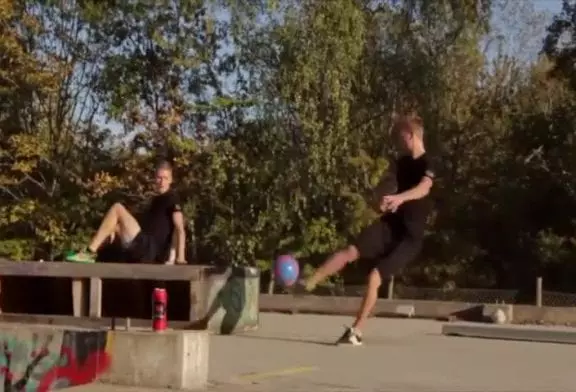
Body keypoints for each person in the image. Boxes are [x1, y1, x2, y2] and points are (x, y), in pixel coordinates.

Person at [295, 114, 436, 346]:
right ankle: (309, 282)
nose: (397, 142)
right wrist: (381, 202)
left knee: (374, 277)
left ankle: (356, 331)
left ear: (410, 135)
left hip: (409, 237)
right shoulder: (401, 163)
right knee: (350, 251)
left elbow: (423, 188)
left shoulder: (428, 163)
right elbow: (383, 193)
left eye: (400, 137)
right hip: (390, 226)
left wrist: (400, 199)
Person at [65, 161, 187, 264]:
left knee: (117, 208)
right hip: (144, 246)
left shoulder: (172, 198)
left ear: (171, 180)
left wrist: (180, 258)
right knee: (114, 227)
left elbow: (180, 228)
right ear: (154, 179)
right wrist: (114, 230)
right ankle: (90, 254)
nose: (161, 182)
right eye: (159, 178)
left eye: (165, 178)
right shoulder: (155, 200)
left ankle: (89, 252)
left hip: (150, 249)